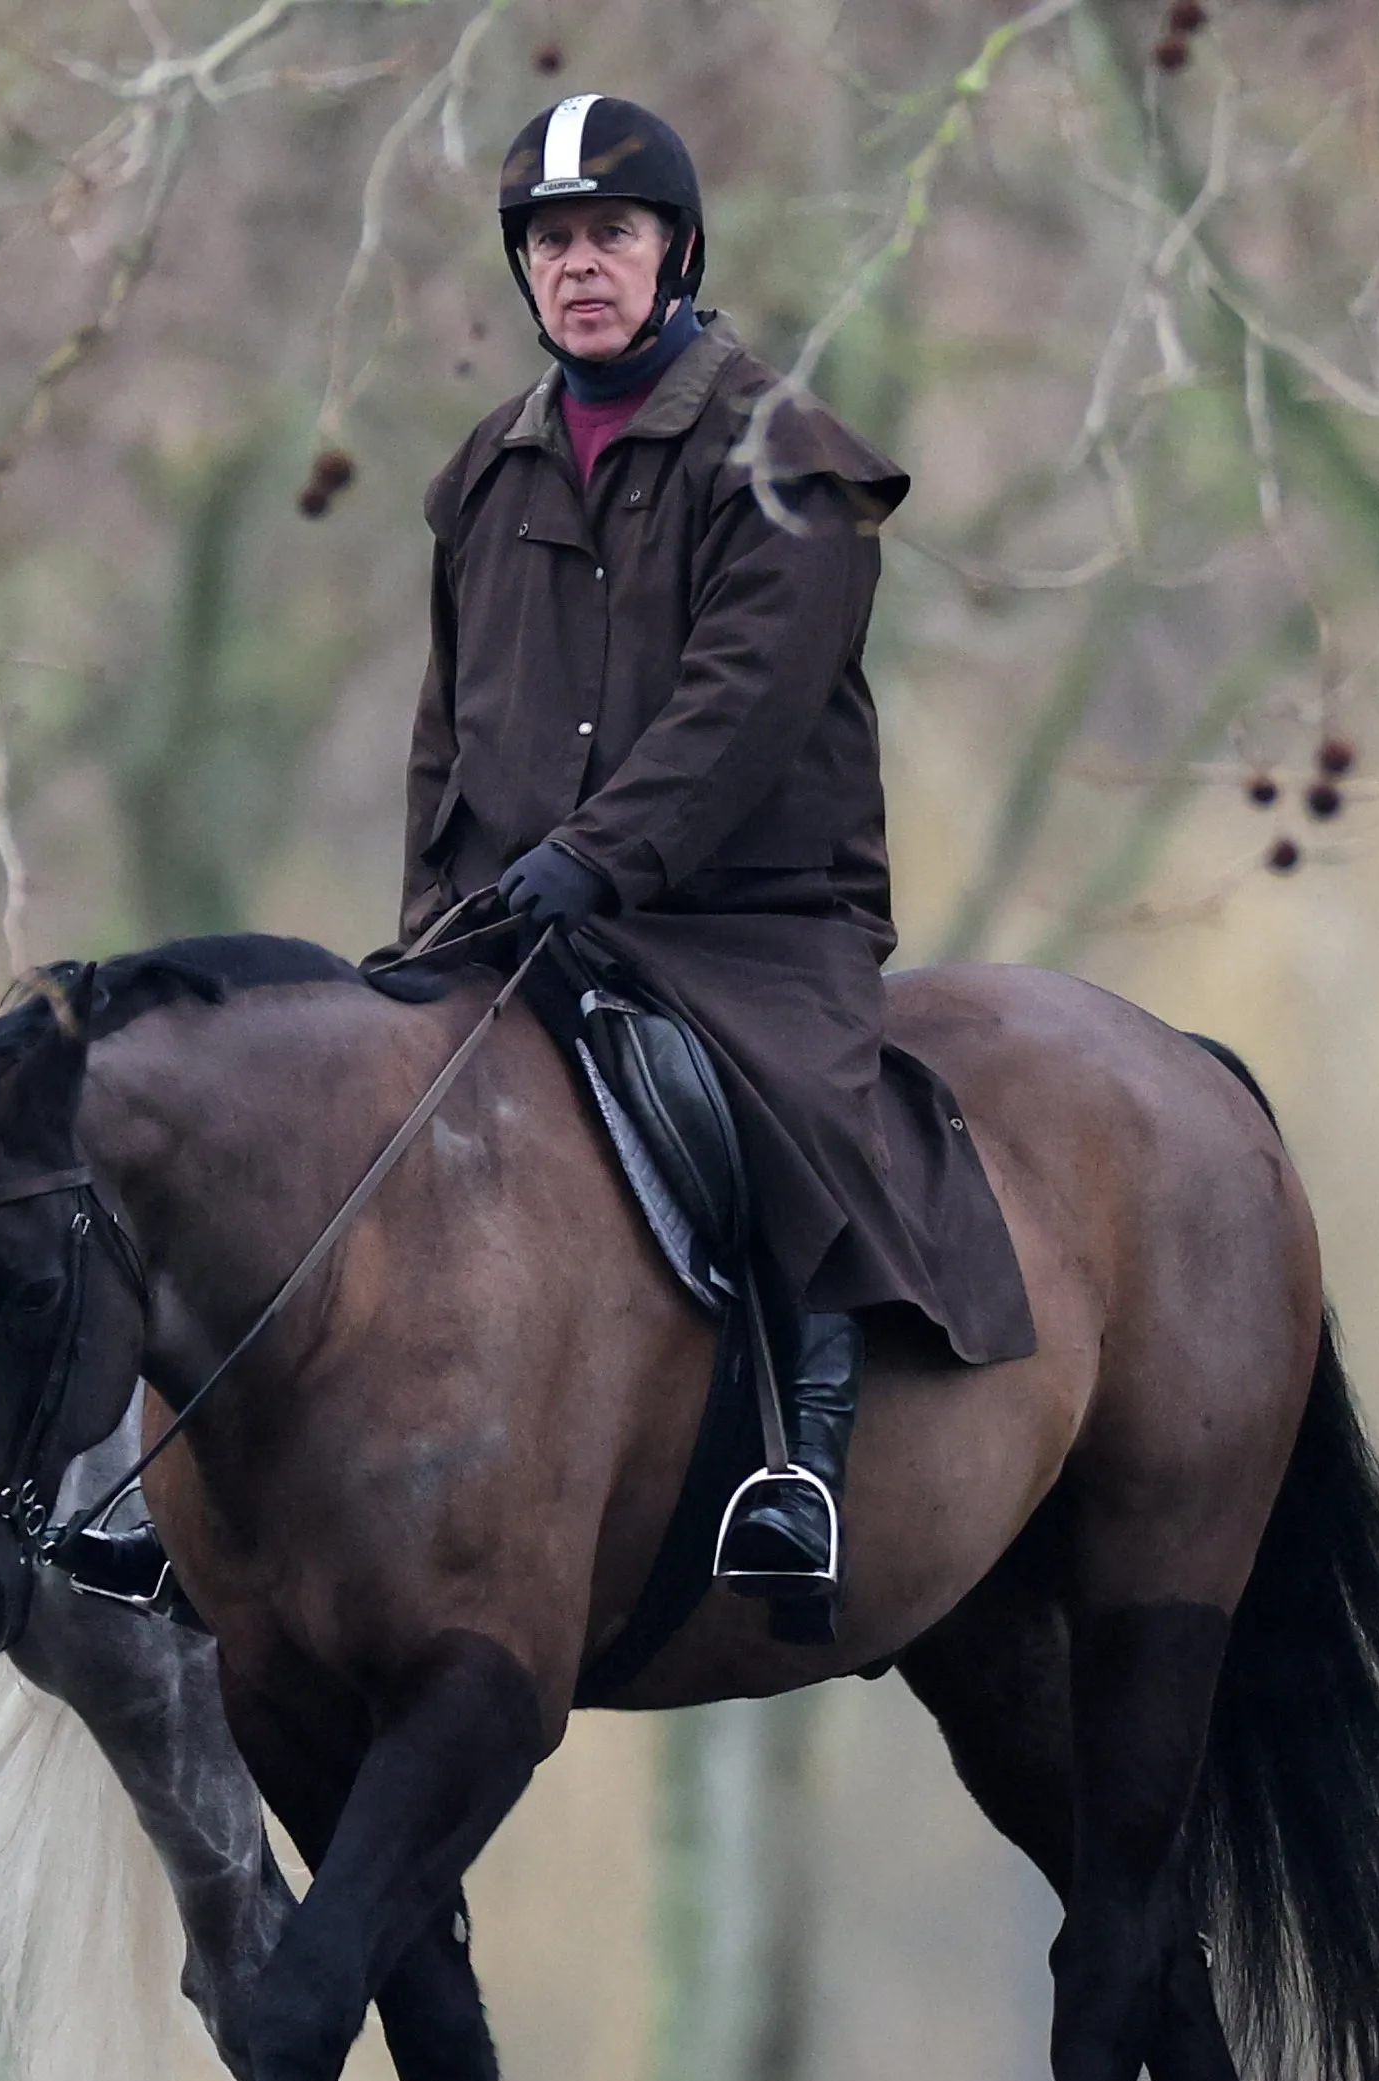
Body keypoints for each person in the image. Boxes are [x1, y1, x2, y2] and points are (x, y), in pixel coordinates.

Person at [399, 95, 1032, 1641]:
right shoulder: (487, 472)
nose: (581, 267)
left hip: (747, 924)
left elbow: (743, 711)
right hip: (521, 918)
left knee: (786, 1110)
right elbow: (448, 722)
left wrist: (600, 858)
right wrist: (428, 924)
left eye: (610, 233)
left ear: (675, 247)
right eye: (551, 243)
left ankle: (800, 1460)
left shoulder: (790, 463)